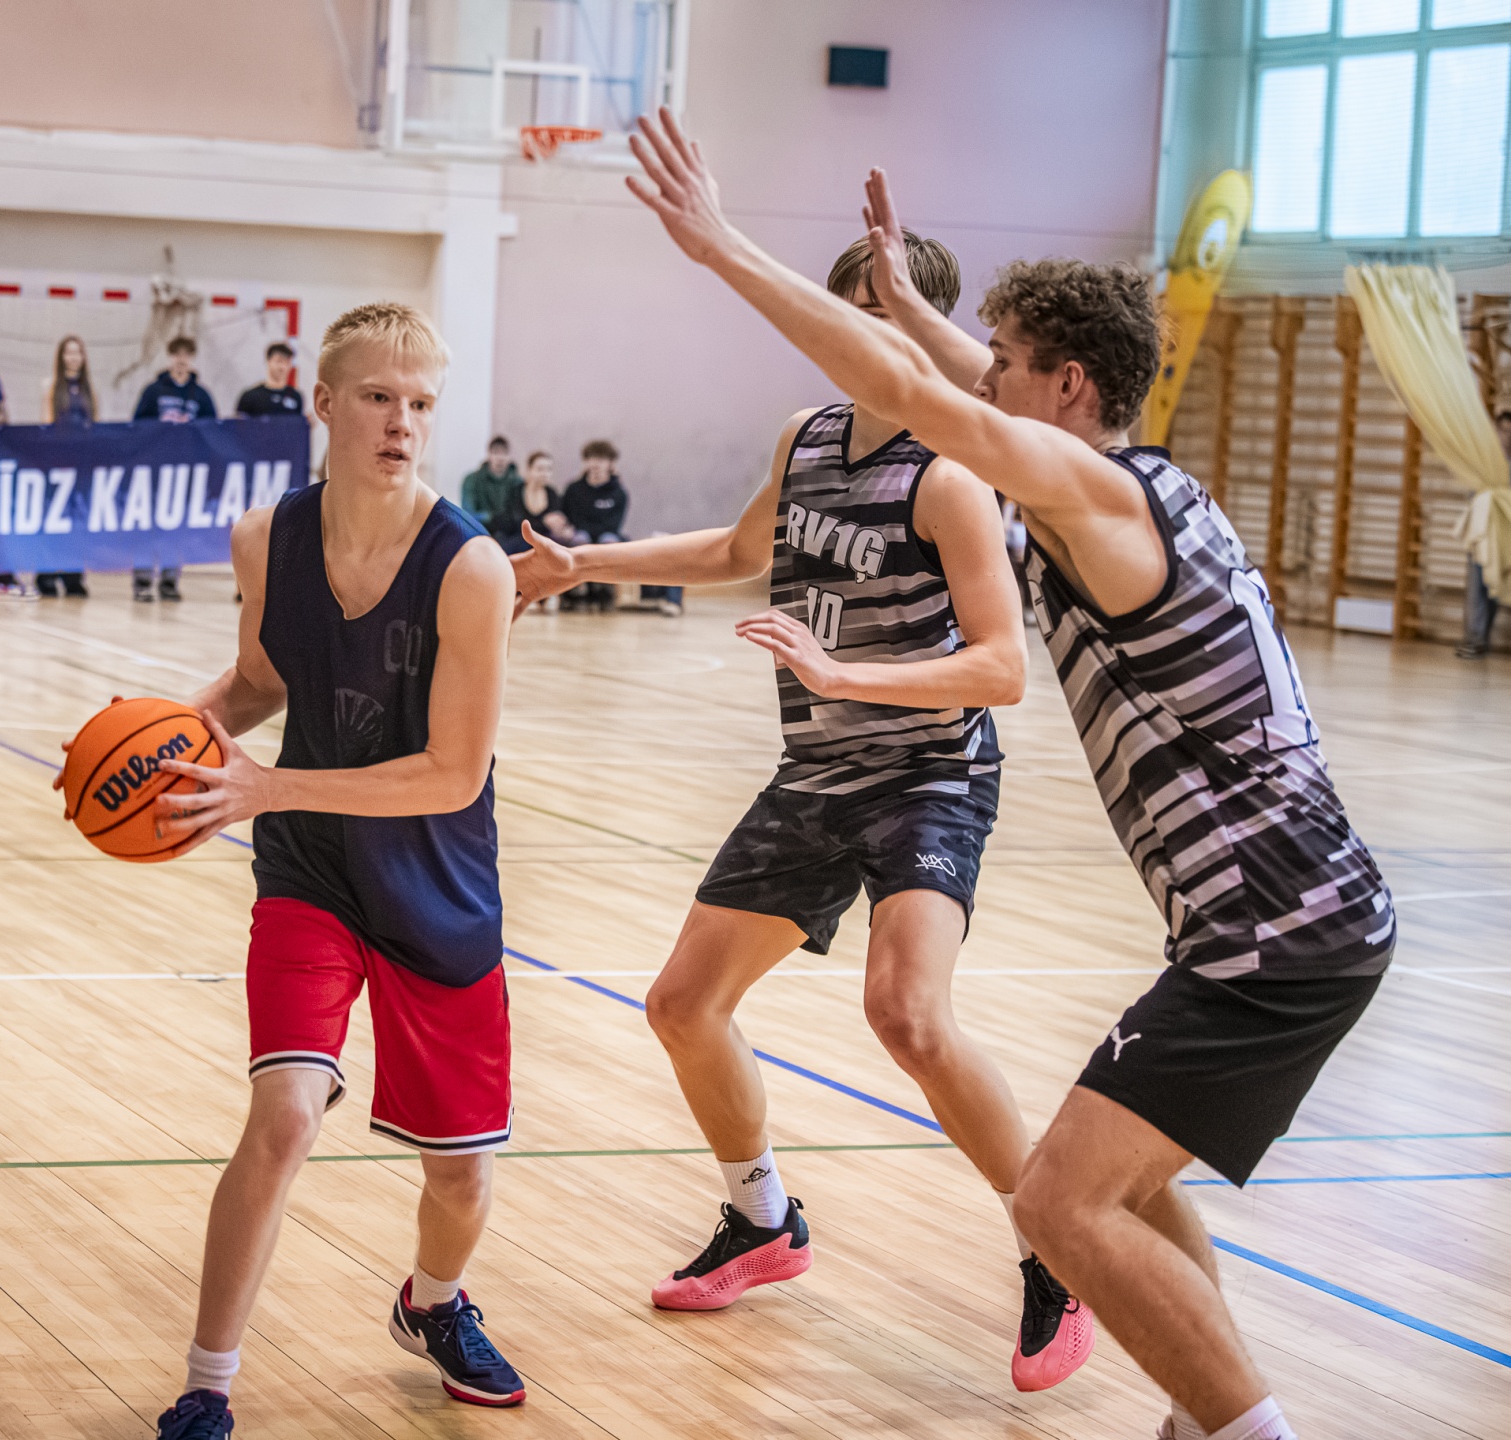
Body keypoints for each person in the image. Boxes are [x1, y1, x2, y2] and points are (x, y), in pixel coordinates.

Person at [628, 114, 1395, 1440]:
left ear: (1071, 388)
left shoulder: (1094, 497)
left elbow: (924, 396)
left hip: (1276, 932)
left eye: (1009, 369)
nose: (985, 384)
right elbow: (947, 374)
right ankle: (1197, 1413)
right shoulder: (1136, 486)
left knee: (1057, 1202)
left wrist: (720, 247)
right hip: (1286, 923)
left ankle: (1244, 1429)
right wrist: (909, 302)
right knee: (1125, 1185)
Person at [510, 222, 1087, 1389]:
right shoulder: (808, 436)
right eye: (835, 312)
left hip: (927, 778)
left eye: (869, 314)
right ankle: (763, 1220)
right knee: (683, 1004)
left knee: (908, 1016)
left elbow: (1002, 669)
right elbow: (738, 546)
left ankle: (1058, 1253)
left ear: (916, 330)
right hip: (817, 774)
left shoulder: (950, 473)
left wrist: (843, 674)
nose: (841, 335)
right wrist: (586, 562)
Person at [85, 302, 521, 1440]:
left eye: (420, 403)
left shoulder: (471, 569)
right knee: (284, 1116)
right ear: (324, 403)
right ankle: (206, 1386)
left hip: (436, 884)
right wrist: (157, 740)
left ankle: (434, 1303)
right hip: (312, 872)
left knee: (460, 1175)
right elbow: (264, 681)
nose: (401, 422)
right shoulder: (264, 539)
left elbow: (452, 775)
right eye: (378, 397)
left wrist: (269, 786)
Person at [133, 336, 216, 603]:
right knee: (148, 525)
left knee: (176, 527)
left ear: (192, 359)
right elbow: (137, 426)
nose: (181, 360)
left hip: (186, 471)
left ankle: (169, 580)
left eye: (186, 355)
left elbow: (213, 432)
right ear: (170, 358)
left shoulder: (201, 395)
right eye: (177, 354)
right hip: (155, 470)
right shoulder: (153, 391)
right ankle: (143, 580)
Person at [1456, 408, 1511, 660]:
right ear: (1496, 431)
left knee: (1495, 586)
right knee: (1476, 586)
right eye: (1503, 431)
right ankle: (1474, 638)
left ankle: (1482, 637)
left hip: (1507, 534)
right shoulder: (1484, 459)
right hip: (1484, 530)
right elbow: (1474, 491)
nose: (1507, 436)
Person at [555, 440, 681, 614]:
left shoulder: (618, 493)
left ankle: (605, 587)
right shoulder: (574, 489)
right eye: (591, 459)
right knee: (579, 538)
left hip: (606, 537)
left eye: (601, 459)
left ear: (610, 464)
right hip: (582, 536)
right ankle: (578, 589)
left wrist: (592, 534)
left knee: (608, 540)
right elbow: (571, 518)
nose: (595, 464)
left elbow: (613, 524)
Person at [38, 335, 95, 598]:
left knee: (77, 521)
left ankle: (73, 576)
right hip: (57, 464)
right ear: (61, 357)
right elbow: (47, 426)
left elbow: (92, 425)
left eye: (77, 353)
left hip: (81, 464)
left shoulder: (88, 390)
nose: (73, 358)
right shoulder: (51, 386)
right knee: (53, 520)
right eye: (69, 353)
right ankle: (47, 575)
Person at [492, 450, 572, 557]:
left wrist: (561, 527)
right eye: (540, 469)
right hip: (518, 538)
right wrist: (544, 522)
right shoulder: (516, 492)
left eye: (548, 469)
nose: (545, 474)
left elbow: (556, 521)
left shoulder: (551, 493)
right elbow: (514, 523)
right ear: (529, 470)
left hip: (543, 540)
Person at [460, 437, 521, 531]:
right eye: (496, 453)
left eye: (504, 453)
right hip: (480, 529)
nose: (500, 458)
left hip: (510, 532)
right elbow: (468, 514)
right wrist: (491, 517)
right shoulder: (472, 480)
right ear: (489, 455)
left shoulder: (518, 482)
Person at [234, 341, 306, 419]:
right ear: (268, 361)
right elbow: (239, 424)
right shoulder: (251, 396)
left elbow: (297, 425)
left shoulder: (295, 397)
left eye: (287, 363)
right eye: (279, 361)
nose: (282, 367)